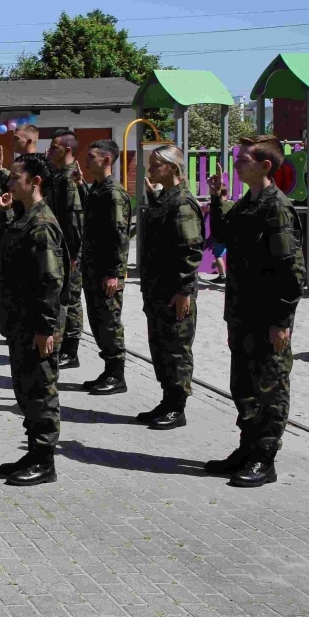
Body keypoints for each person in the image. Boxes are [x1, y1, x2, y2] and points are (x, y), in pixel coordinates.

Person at [206, 135, 305, 487]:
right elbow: (222, 237)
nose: (237, 162)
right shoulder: (247, 204)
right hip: (242, 312)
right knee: (243, 387)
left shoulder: (275, 207)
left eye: (244, 158)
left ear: (265, 166)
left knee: (270, 389)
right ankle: (247, 449)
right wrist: (217, 200)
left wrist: (281, 320)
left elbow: (291, 271)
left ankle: (265, 458)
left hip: (267, 317)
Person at [0, 154, 66, 486]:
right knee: (26, 390)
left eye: (14, 177)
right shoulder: (25, 217)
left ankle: (45, 460)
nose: (9, 182)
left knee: (40, 390)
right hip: (21, 321)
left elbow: (50, 281)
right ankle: (33, 451)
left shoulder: (41, 224)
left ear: (35, 181)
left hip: (36, 324)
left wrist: (45, 326)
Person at [137, 144, 204, 431]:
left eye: (156, 165)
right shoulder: (165, 199)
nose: (150, 169)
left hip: (174, 291)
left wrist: (184, 290)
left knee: (176, 348)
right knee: (161, 346)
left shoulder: (182, 203)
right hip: (157, 289)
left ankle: (177, 406)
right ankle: (167, 399)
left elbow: (190, 250)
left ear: (173, 168)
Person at [79, 139, 132, 396]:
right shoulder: (96, 189)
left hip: (106, 272)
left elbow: (119, 236)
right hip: (93, 269)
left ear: (107, 160)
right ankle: (108, 369)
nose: (87, 160)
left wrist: (114, 273)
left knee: (109, 322)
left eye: (92, 156)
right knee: (99, 322)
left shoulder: (113, 193)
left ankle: (116, 374)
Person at [44, 129, 86, 370]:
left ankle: (71, 350)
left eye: (54, 148)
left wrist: (71, 254)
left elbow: (74, 222)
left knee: (70, 299)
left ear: (68, 150)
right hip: (59, 248)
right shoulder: (59, 175)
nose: (50, 151)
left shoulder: (70, 180)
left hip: (69, 251)